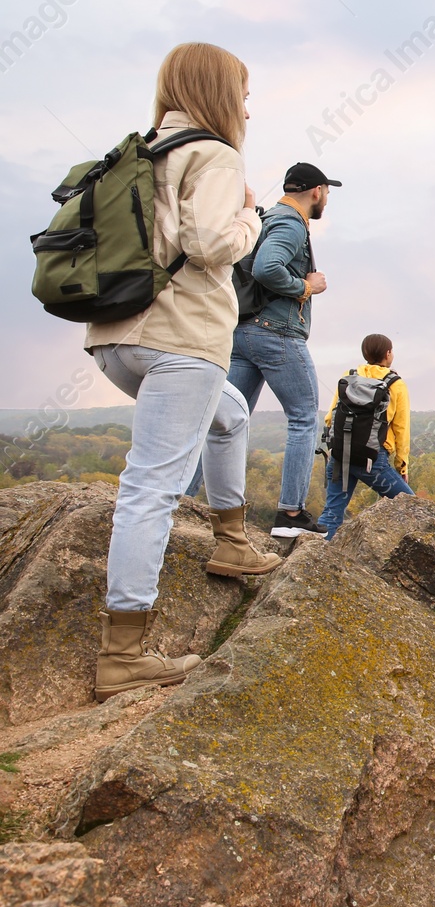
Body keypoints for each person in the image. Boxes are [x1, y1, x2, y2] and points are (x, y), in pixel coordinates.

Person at [84, 42, 282, 701]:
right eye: (244, 94)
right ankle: (123, 652)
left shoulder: (144, 151)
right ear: (220, 93)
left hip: (116, 337)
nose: (248, 109)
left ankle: (231, 538)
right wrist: (253, 215)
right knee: (151, 487)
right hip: (181, 340)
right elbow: (212, 244)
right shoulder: (217, 154)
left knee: (228, 412)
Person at [214, 160, 342, 538]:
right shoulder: (289, 223)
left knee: (226, 421)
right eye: (327, 193)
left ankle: (190, 502)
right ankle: (290, 515)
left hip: (243, 332)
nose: (326, 200)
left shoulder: (265, 218)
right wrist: (306, 287)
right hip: (276, 332)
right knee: (304, 416)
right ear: (316, 191)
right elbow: (267, 268)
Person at [316, 333, 412, 539]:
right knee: (412, 508)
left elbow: (330, 416)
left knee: (332, 513)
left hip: (341, 454)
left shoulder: (348, 375)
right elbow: (401, 429)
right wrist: (402, 466)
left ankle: (312, 559)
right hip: (373, 459)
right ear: (388, 354)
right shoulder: (395, 383)